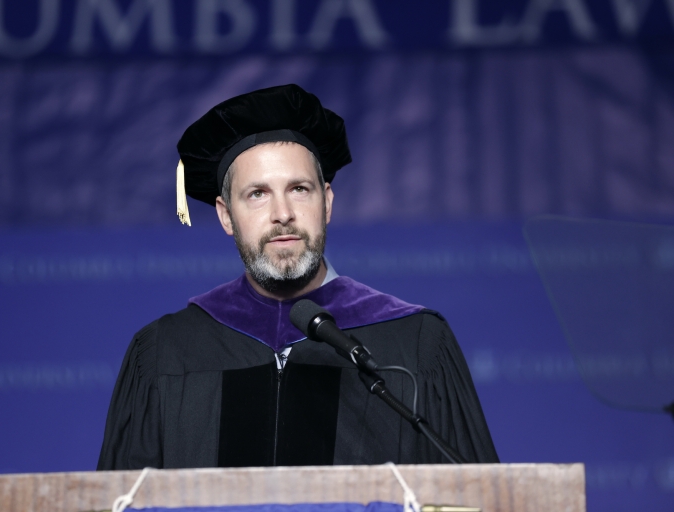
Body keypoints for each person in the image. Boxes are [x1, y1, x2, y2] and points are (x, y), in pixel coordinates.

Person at [97, 84, 498, 470]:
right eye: (257, 194)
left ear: (326, 202)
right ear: (225, 215)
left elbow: (472, 497)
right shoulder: (166, 351)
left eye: (300, 189)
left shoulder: (416, 342)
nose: (282, 213)